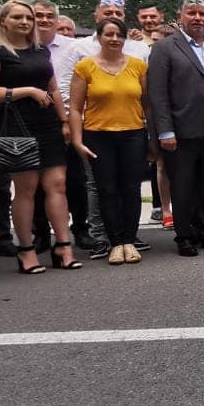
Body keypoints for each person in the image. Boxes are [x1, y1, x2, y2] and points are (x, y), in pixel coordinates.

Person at [0, 0, 75, 273]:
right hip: (16, 127)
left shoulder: (40, 50)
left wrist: (64, 121)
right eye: (18, 17)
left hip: (48, 124)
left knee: (57, 185)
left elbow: (53, 89)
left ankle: (63, 246)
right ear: (3, 21)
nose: (25, 22)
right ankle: (26, 250)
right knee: (26, 189)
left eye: (28, 18)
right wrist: (27, 91)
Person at [148, 0, 204, 256]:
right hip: (180, 130)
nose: (197, 18)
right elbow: (157, 93)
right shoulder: (165, 48)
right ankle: (185, 235)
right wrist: (165, 131)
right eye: (192, 13)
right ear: (180, 16)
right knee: (183, 185)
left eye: (202, 13)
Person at [68, 18, 150, 265]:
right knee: (107, 189)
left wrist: (152, 136)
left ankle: (129, 240)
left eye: (119, 35)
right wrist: (77, 140)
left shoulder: (138, 66)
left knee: (131, 189)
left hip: (133, 133)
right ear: (99, 37)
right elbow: (75, 108)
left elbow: (147, 104)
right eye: (109, 34)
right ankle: (115, 243)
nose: (114, 39)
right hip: (98, 135)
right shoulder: (85, 67)